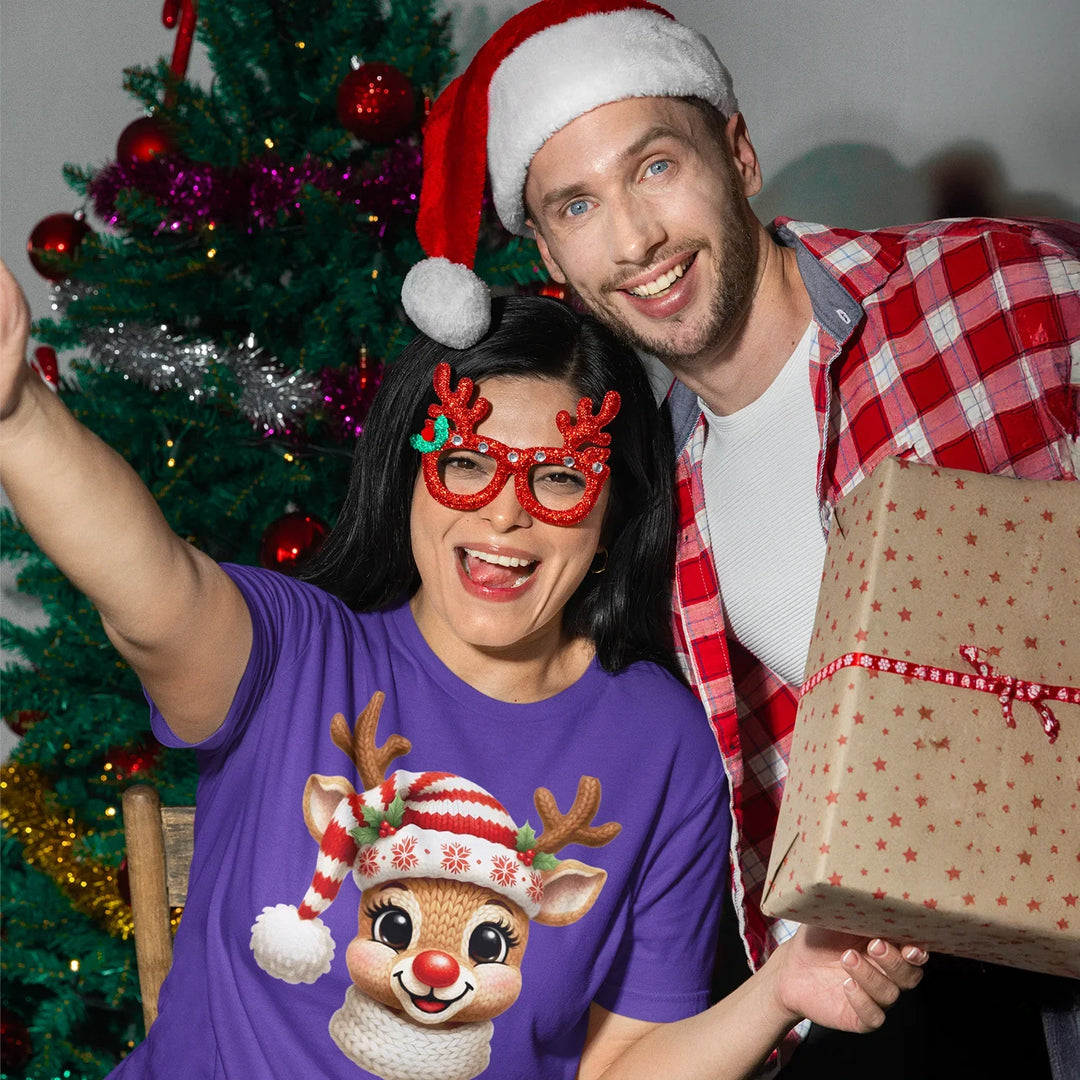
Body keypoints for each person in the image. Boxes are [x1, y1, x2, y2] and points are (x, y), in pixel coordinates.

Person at [0, 262, 925, 1079]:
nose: (506, 520)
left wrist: (782, 989)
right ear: (409, 477)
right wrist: (18, 412)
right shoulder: (292, 657)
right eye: (470, 462)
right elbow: (147, 585)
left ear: (611, 519)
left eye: (560, 479)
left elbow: (622, 1065)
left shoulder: (660, 743)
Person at [397, 1, 1080, 1076]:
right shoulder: (657, 509)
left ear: (738, 153)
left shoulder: (998, 288)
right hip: (934, 983)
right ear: (552, 257)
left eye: (656, 167)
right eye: (578, 205)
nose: (634, 240)